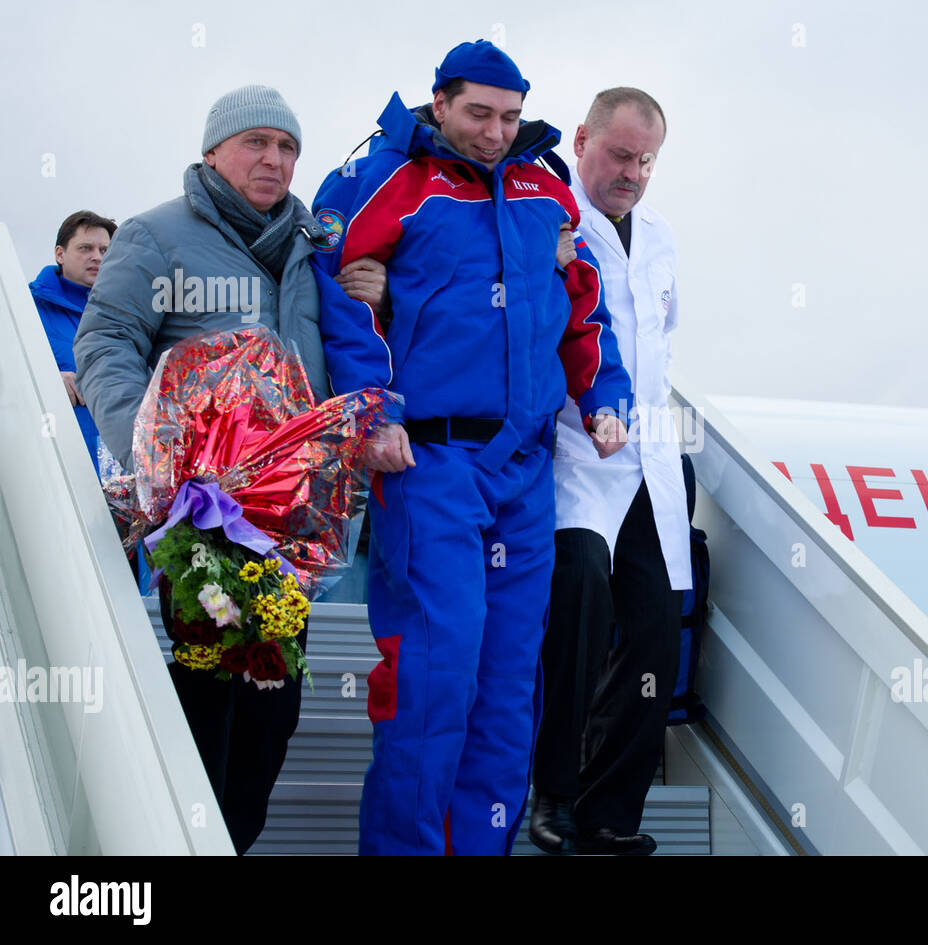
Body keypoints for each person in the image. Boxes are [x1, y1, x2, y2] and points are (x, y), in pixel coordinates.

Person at [311, 39, 633, 856]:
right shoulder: (386, 179)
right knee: (433, 673)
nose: (495, 133)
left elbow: (583, 302)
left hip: (523, 471)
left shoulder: (547, 190)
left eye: (511, 117)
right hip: (427, 461)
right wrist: (371, 411)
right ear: (442, 102)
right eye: (479, 115)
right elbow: (343, 300)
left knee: (505, 688)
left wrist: (604, 396)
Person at [73, 85, 386, 854]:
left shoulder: (313, 248)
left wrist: (373, 289)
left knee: (273, 708)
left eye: (287, 149)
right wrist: (156, 461)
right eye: (256, 143)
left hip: (291, 521)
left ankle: (228, 842)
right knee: (210, 689)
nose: (274, 161)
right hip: (199, 519)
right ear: (213, 150)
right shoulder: (154, 236)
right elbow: (104, 344)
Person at [530, 88, 692, 856]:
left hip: (649, 460)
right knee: (581, 596)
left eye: (646, 160)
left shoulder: (660, 237)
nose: (632, 172)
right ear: (583, 138)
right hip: (574, 453)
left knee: (658, 635)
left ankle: (608, 813)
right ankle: (551, 792)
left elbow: (664, 343)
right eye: (620, 154)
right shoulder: (550, 216)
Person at [30, 210, 116, 465]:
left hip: (121, 472)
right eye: (85, 248)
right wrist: (49, 381)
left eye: (104, 250)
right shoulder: (24, 308)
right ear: (60, 254)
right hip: (53, 467)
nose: (96, 257)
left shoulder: (129, 313)